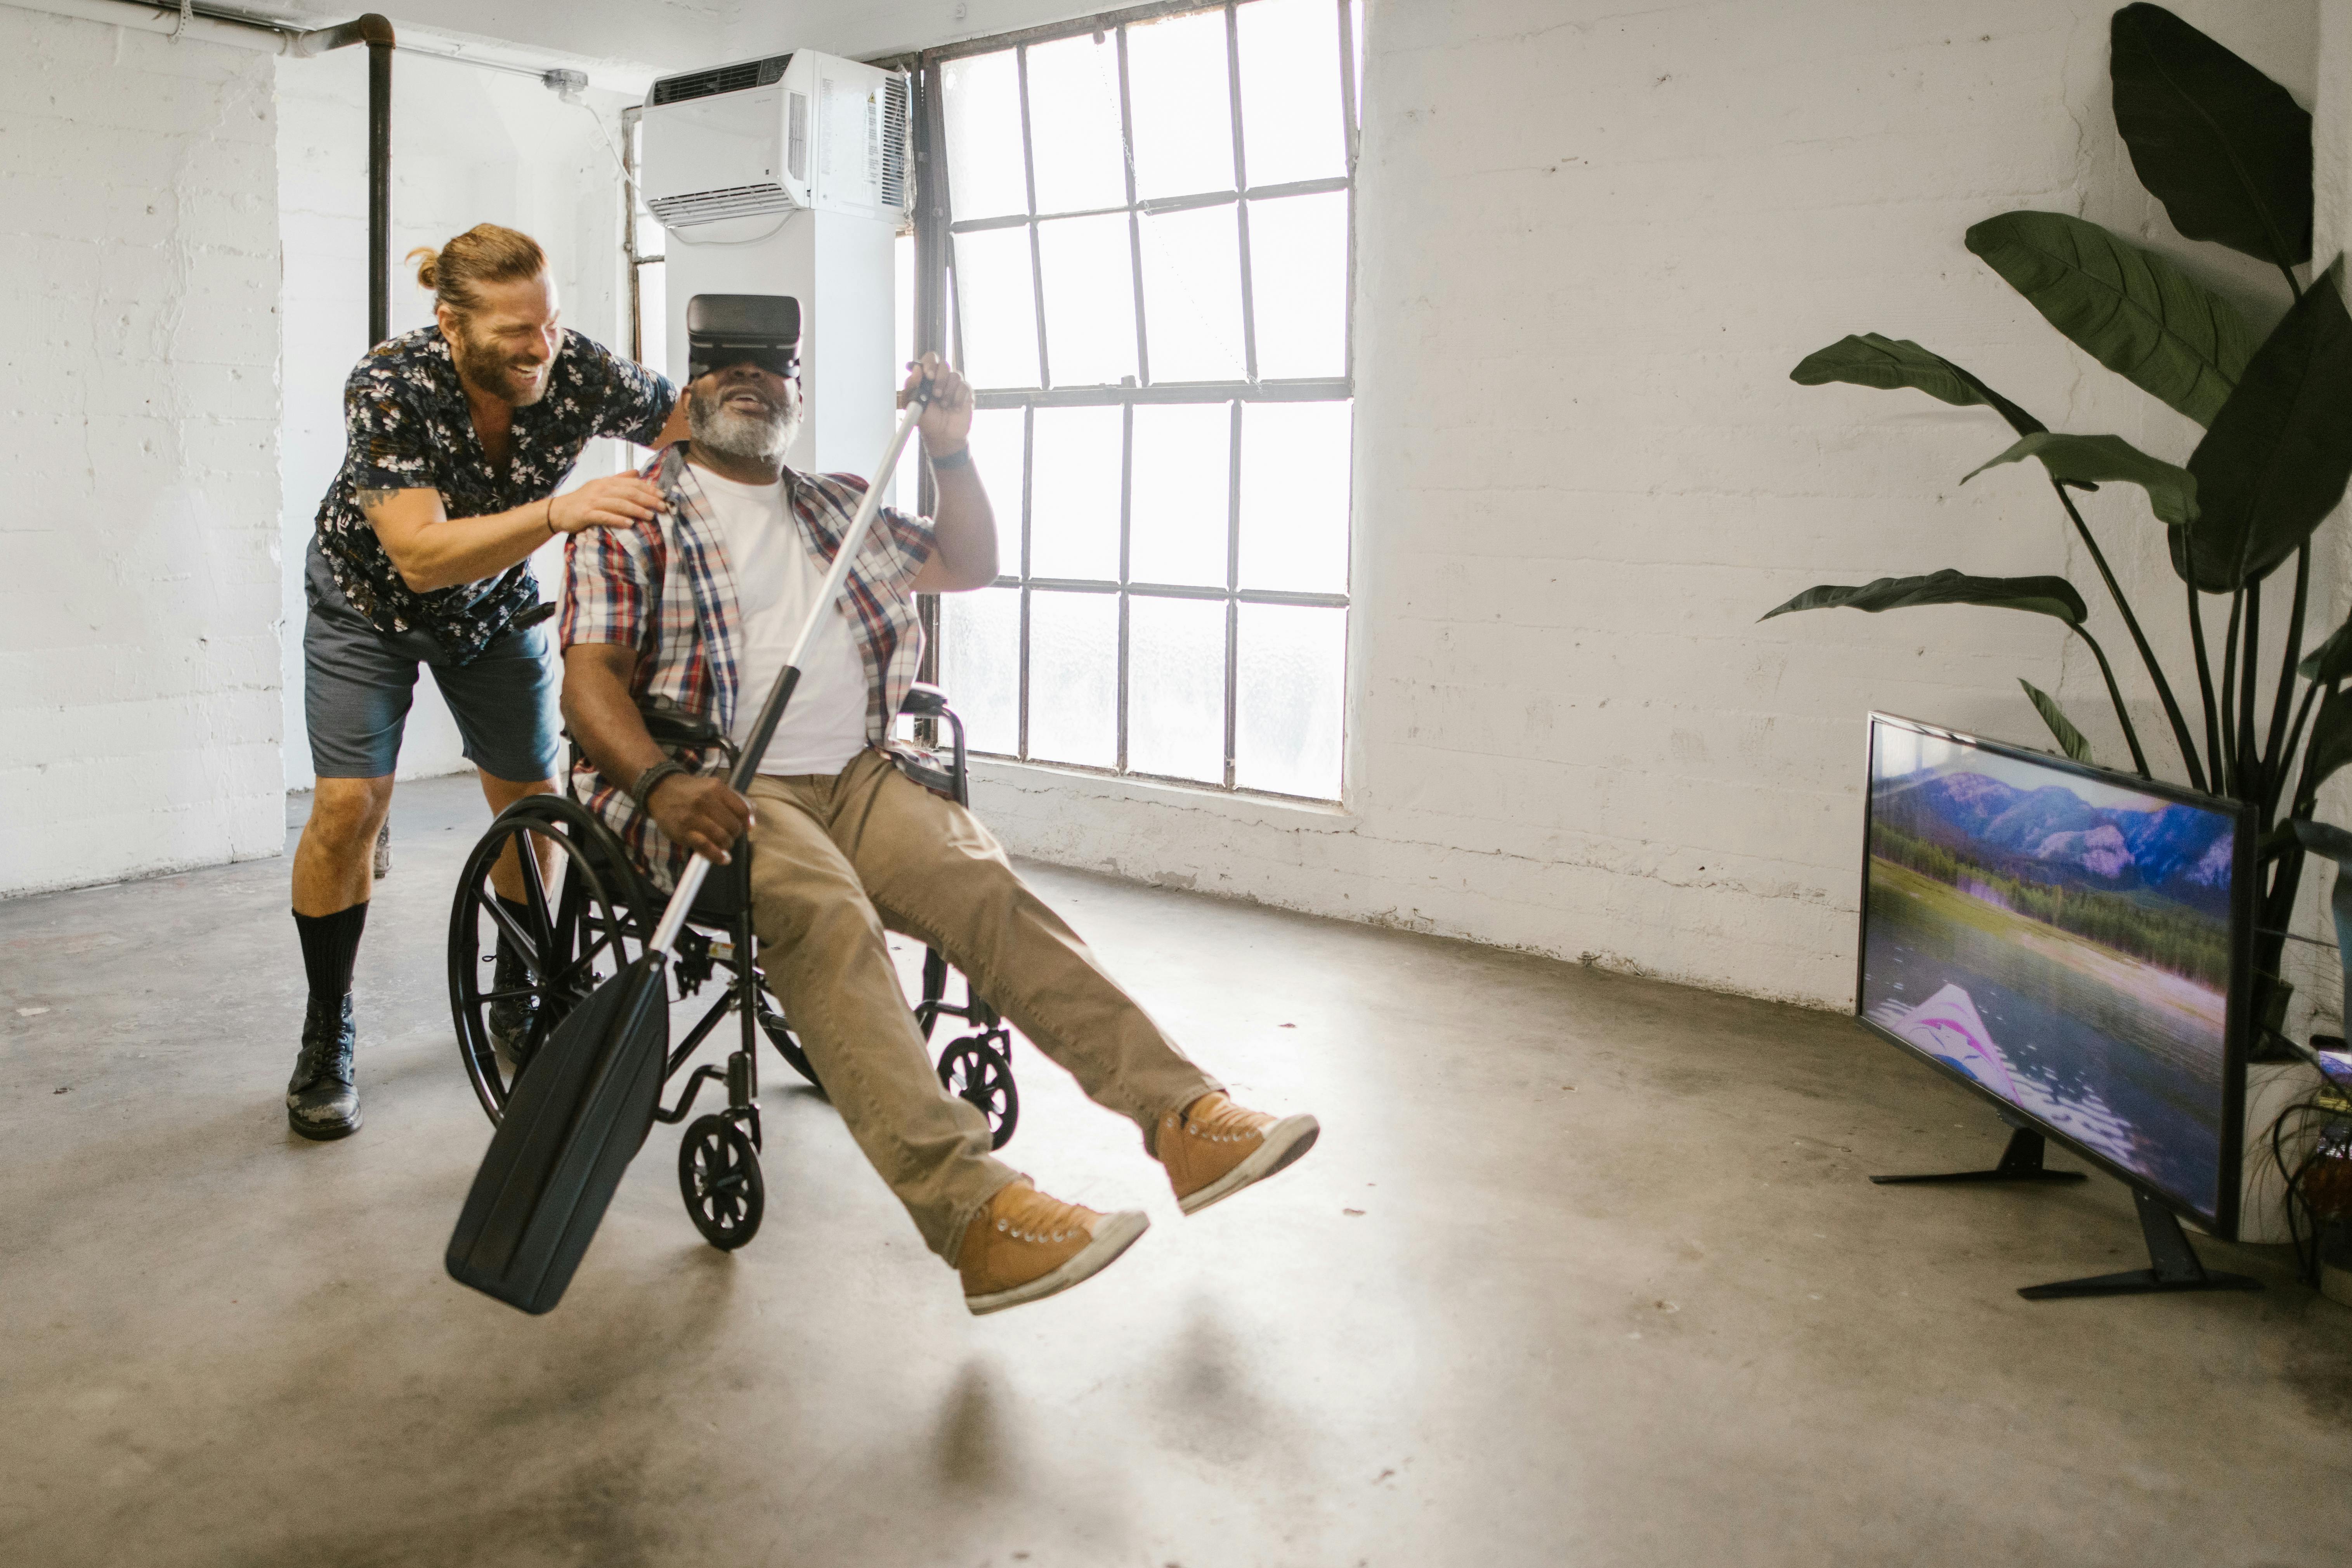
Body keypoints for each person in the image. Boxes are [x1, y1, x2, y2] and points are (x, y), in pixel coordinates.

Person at [559, 338, 1320, 1315]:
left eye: (770, 364)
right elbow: (588, 688)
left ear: (796, 389)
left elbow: (968, 562)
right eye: (719, 362)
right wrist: (661, 782)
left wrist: (952, 453)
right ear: (687, 390)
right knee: (827, 917)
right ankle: (978, 1220)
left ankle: (1183, 1117)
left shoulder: (840, 503)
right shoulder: (632, 515)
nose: (745, 377)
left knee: (984, 884)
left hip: (858, 777)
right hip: (720, 787)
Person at [288, 224, 688, 1141]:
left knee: (529, 799)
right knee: (350, 806)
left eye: (547, 323)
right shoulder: (390, 383)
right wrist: (559, 511)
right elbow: (421, 556)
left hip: (492, 612)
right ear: (452, 322)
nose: (539, 347)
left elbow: (687, 421)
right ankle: (326, 1029)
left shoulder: (576, 366)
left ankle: (519, 980)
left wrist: (756, 399)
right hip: (370, 604)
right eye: (515, 331)